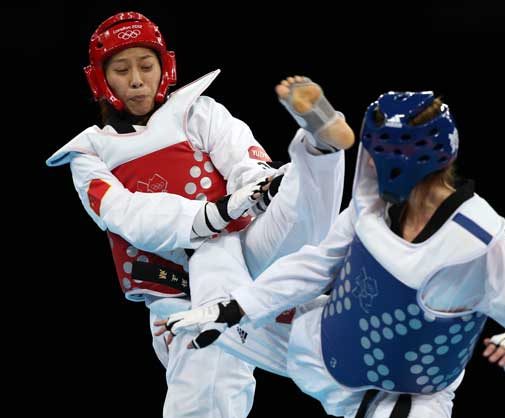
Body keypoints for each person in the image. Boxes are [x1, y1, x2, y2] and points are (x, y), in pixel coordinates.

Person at [162, 91, 505, 418]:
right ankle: (316, 145)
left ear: (405, 163)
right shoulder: (374, 207)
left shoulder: (477, 244)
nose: (369, 168)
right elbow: (316, 264)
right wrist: (232, 308)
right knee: (212, 300)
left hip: (399, 396)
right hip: (317, 342)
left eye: (378, 159)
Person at [45, 11, 355, 418]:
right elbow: (127, 215)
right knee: (213, 369)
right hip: (178, 292)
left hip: (245, 251)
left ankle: (319, 146)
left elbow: (242, 156)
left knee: (294, 201)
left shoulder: (198, 112)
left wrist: (259, 186)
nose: (137, 79)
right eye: (121, 70)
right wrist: (216, 212)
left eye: (146, 65)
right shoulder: (88, 153)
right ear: (101, 81)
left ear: (165, 67)